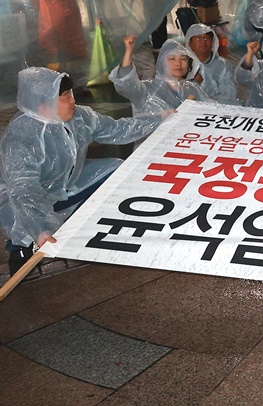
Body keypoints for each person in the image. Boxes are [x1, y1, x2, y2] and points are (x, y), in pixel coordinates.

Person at [0, 68, 165, 273]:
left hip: (67, 183)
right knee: (29, 230)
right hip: (24, 199)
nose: (73, 101)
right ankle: (21, 249)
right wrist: (40, 229)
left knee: (116, 171)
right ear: (43, 104)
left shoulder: (80, 117)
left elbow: (117, 129)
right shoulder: (21, 137)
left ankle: (82, 223)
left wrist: (158, 120)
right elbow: (24, 189)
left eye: (71, 94)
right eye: (65, 96)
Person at [110, 36, 209, 118]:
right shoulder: (148, 89)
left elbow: (210, 107)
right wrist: (128, 51)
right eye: (172, 59)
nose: (178, 63)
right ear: (162, 63)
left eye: (183, 59)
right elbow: (127, 83)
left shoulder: (192, 88)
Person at [184, 23, 239, 106]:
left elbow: (229, 92)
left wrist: (209, 104)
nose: (203, 41)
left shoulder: (223, 65)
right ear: (190, 43)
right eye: (198, 38)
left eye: (206, 38)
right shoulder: (182, 66)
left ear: (213, 43)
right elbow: (177, 94)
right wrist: (193, 84)